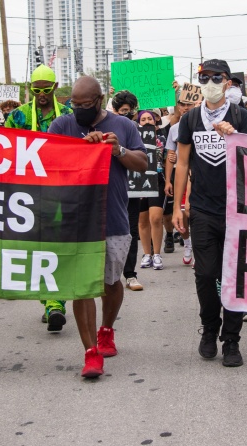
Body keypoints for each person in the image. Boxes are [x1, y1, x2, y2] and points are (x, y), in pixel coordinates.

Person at [48, 76, 148, 378]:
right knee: (82, 288)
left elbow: (142, 163)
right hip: (75, 218)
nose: (79, 110)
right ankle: (91, 353)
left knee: (110, 283)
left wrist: (117, 150)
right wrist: (79, 149)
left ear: (100, 99)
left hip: (113, 217)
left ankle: (106, 329)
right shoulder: (62, 126)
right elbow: (48, 163)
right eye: (74, 105)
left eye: (85, 105)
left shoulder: (123, 126)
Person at [172, 59, 247, 367]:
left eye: (215, 77)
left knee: (233, 276)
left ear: (227, 82)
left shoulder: (241, 116)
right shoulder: (191, 119)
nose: (209, 82)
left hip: (237, 210)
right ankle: (210, 329)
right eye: (203, 77)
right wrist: (179, 207)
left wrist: (232, 137)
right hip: (203, 209)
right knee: (206, 274)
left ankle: (231, 340)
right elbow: (182, 163)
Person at [4, 65, 73, 330]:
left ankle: (56, 303)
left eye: (46, 89)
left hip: (62, 191)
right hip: (28, 194)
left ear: (55, 88)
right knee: (36, 248)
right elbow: (4, 151)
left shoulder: (68, 115)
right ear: (29, 88)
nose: (41, 94)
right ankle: (48, 298)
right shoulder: (18, 117)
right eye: (36, 89)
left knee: (58, 246)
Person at [110, 91, 144, 291]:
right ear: (114, 109)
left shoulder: (136, 129)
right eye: (123, 111)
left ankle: (130, 274)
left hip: (134, 187)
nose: (127, 115)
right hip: (112, 189)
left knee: (131, 230)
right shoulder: (104, 126)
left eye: (130, 112)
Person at [164, 97, 196, 266]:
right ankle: (188, 243)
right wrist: (168, 181)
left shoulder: (204, 126)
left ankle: (199, 249)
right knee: (182, 215)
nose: (185, 107)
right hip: (182, 177)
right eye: (182, 104)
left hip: (199, 177)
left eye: (188, 104)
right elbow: (171, 156)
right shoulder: (174, 129)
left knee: (195, 213)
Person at [136, 110, 168, 271]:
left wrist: (169, 181)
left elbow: (169, 161)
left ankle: (157, 254)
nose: (147, 121)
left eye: (150, 118)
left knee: (155, 218)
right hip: (139, 182)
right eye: (143, 119)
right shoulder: (134, 139)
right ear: (138, 123)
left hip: (158, 180)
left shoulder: (162, 139)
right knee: (142, 220)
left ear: (156, 122)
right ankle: (146, 254)